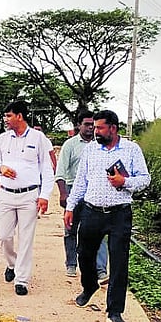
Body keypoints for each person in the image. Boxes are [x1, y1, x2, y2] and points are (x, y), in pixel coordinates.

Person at [64, 110, 151, 322]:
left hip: (119, 214)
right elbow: (81, 181)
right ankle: (89, 286)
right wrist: (71, 207)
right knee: (84, 254)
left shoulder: (132, 150)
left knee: (119, 263)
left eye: (100, 128)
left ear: (113, 128)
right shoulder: (91, 149)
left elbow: (145, 179)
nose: (95, 132)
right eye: (94, 128)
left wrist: (125, 182)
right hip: (91, 212)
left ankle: (115, 311)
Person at [0, 101, 54, 296]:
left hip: (29, 196)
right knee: (4, 236)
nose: (6, 120)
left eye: (9, 116)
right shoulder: (2, 139)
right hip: (6, 195)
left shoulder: (38, 138)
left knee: (26, 238)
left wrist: (44, 196)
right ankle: (12, 263)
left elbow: (46, 168)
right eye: (5, 116)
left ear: (20, 116)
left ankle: (22, 280)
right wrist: (0, 169)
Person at [55, 111, 109, 282]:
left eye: (93, 124)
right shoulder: (70, 145)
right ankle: (71, 263)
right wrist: (64, 193)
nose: (90, 127)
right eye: (86, 124)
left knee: (98, 231)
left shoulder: (100, 146)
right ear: (78, 125)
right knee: (71, 229)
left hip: (94, 192)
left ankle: (100, 269)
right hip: (73, 190)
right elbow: (61, 172)